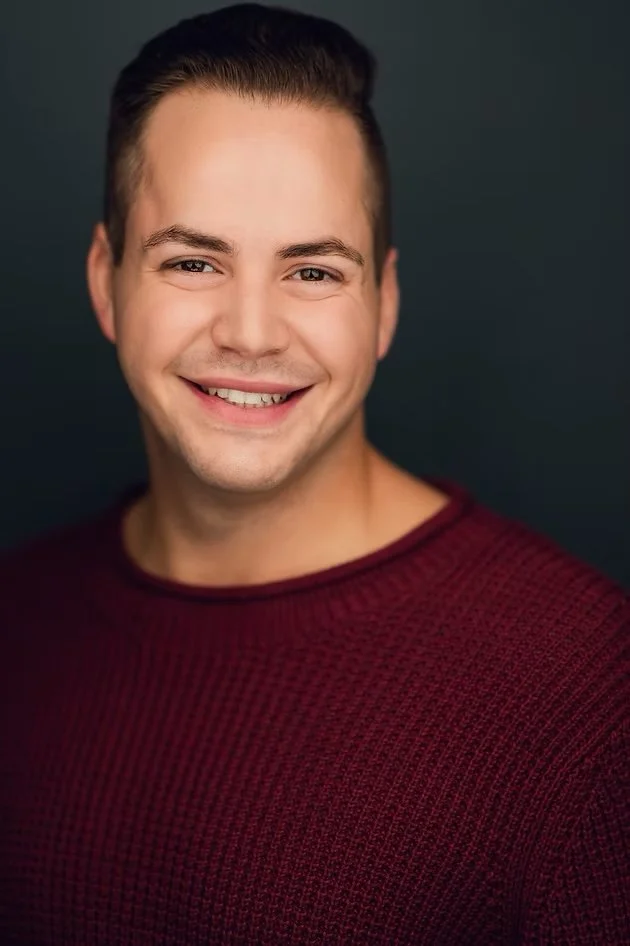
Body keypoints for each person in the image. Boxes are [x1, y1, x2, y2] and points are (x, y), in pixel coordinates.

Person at [1, 4, 627, 943]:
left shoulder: (586, 695)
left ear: (385, 304)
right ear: (105, 280)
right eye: (193, 261)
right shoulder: (16, 623)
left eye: (314, 272)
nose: (251, 333)